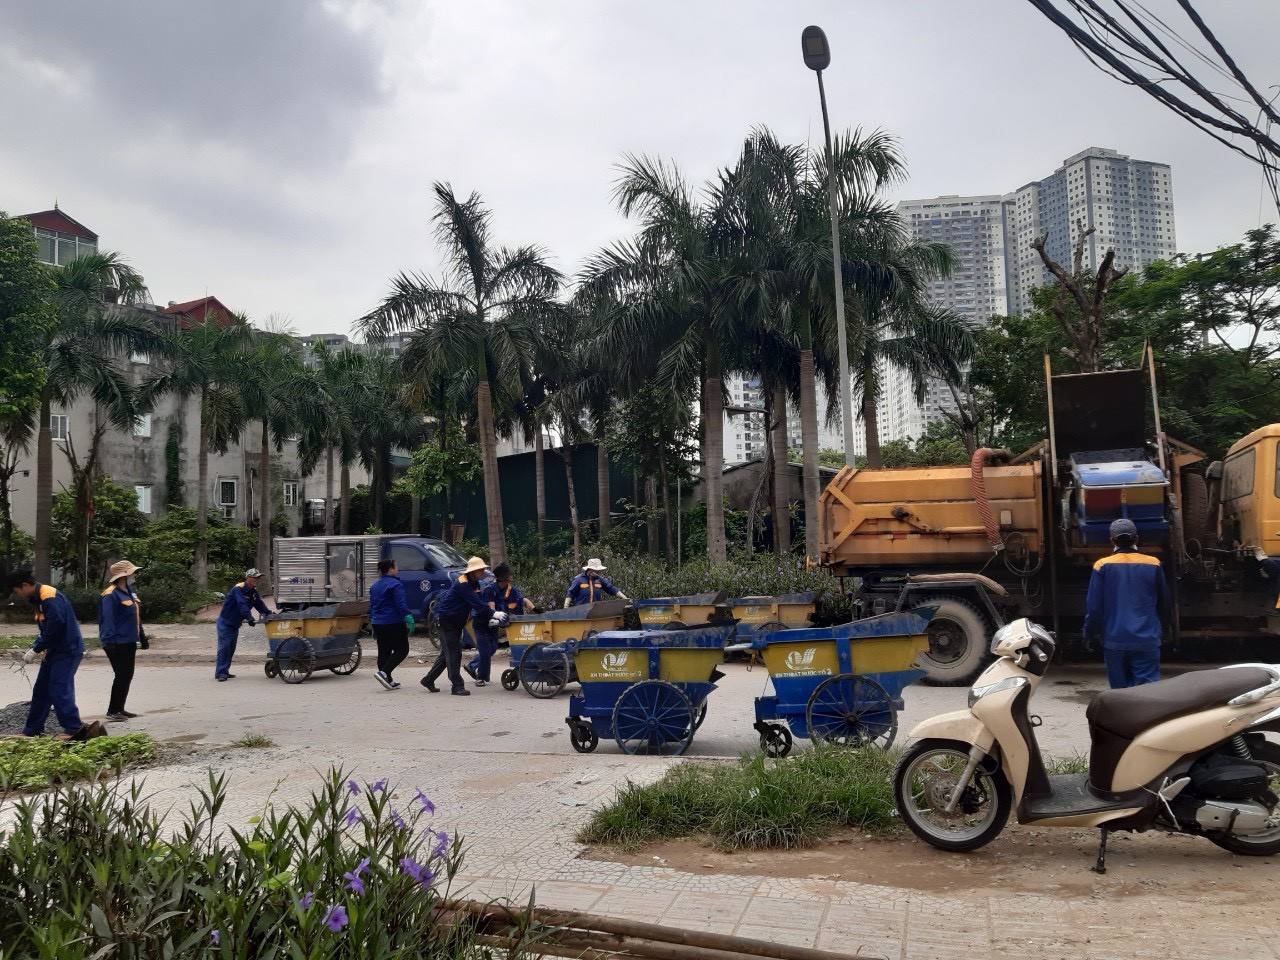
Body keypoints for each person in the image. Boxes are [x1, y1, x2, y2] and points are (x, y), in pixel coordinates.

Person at [8, 569, 103, 740]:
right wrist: (39, 647)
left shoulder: (49, 597)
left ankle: (74, 728)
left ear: (24, 585)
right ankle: (32, 730)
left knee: (58, 688)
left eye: (16, 592)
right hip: (54, 650)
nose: (16, 596)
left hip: (67, 650)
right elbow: (48, 627)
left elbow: (55, 626)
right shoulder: (37, 598)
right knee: (41, 690)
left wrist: (36, 648)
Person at [1083, 518, 1171, 689]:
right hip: (1147, 639)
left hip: (1114, 640)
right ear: (1136, 539)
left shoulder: (1102, 565)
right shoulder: (1153, 564)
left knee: (1120, 694)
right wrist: (1166, 628)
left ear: (1112, 541)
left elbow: (1094, 608)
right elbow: (1164, 602)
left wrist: (1090, 633)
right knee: (1147, 691)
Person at [422, 556, 494, 696]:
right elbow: (477, 604)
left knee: (447, 654)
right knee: (454, 653)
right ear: (472, 571)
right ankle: (457, 686)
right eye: (480, 570)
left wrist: (489, 615)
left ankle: (428, 680)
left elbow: (479, 603)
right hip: (446, 622)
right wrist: (493, 614)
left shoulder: (474, 583)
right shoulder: (463, 584)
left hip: (455, 622)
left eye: (483, 569)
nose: (483, 572)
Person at [466, 562, 534, 687]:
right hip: (482, 623)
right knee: (485, 651)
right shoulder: (490, 590)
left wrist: (535, 609)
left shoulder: (512, 590)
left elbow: (523, 600)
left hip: (494, 625)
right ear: (503, 576)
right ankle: (481, 678)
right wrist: (495, 616)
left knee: (491, 649)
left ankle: (471, 666)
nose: (512, 575)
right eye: (510, 573)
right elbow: (491, 607)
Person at [99, 559, 149, 721]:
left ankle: (120, 708)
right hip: (116, 642)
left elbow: (135, 616)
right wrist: (109, 643)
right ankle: (113, 710)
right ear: (124, 575)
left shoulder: (129, 592)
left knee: (127, 675)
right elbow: (107, 621)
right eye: (133, 572)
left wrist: (142, 636)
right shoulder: (110, 595)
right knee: (122, 675)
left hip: (129, 641)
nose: (135, 575)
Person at [216, 567, 273, 682]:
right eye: (255, 578)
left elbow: (260, 605)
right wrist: (249, 617)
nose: (258, 580)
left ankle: (224, 671)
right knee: (225, 647)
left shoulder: (253, 592)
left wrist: (271, 615)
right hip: (225, 623)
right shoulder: (238, 589)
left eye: (259, 578)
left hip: (235, 624)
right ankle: (221, 673)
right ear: (248, 578)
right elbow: (242, 604)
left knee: (231, 648)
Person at [369, 557, 414, 690]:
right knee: (402, 650)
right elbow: (400, 604)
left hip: (378, 622)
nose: (397, 569)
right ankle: (383, 673)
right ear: (391, 569)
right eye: (396, 567)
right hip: (393, 622)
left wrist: (372, 621)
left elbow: (372, 605)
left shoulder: (375, 586)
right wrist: (408, 616)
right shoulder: (395, 584)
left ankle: (387, 679)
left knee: (384, 650)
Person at [564, 558, 628, 608]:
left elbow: (610, 588)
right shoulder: (578, 579)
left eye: (599, 571)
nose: (599, 572)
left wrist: (624, 598)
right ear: (590, 569)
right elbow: (571, 592)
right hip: (581, 610)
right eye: (597, 571)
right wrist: (566, 605)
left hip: (595, 609)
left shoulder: (599, 579)